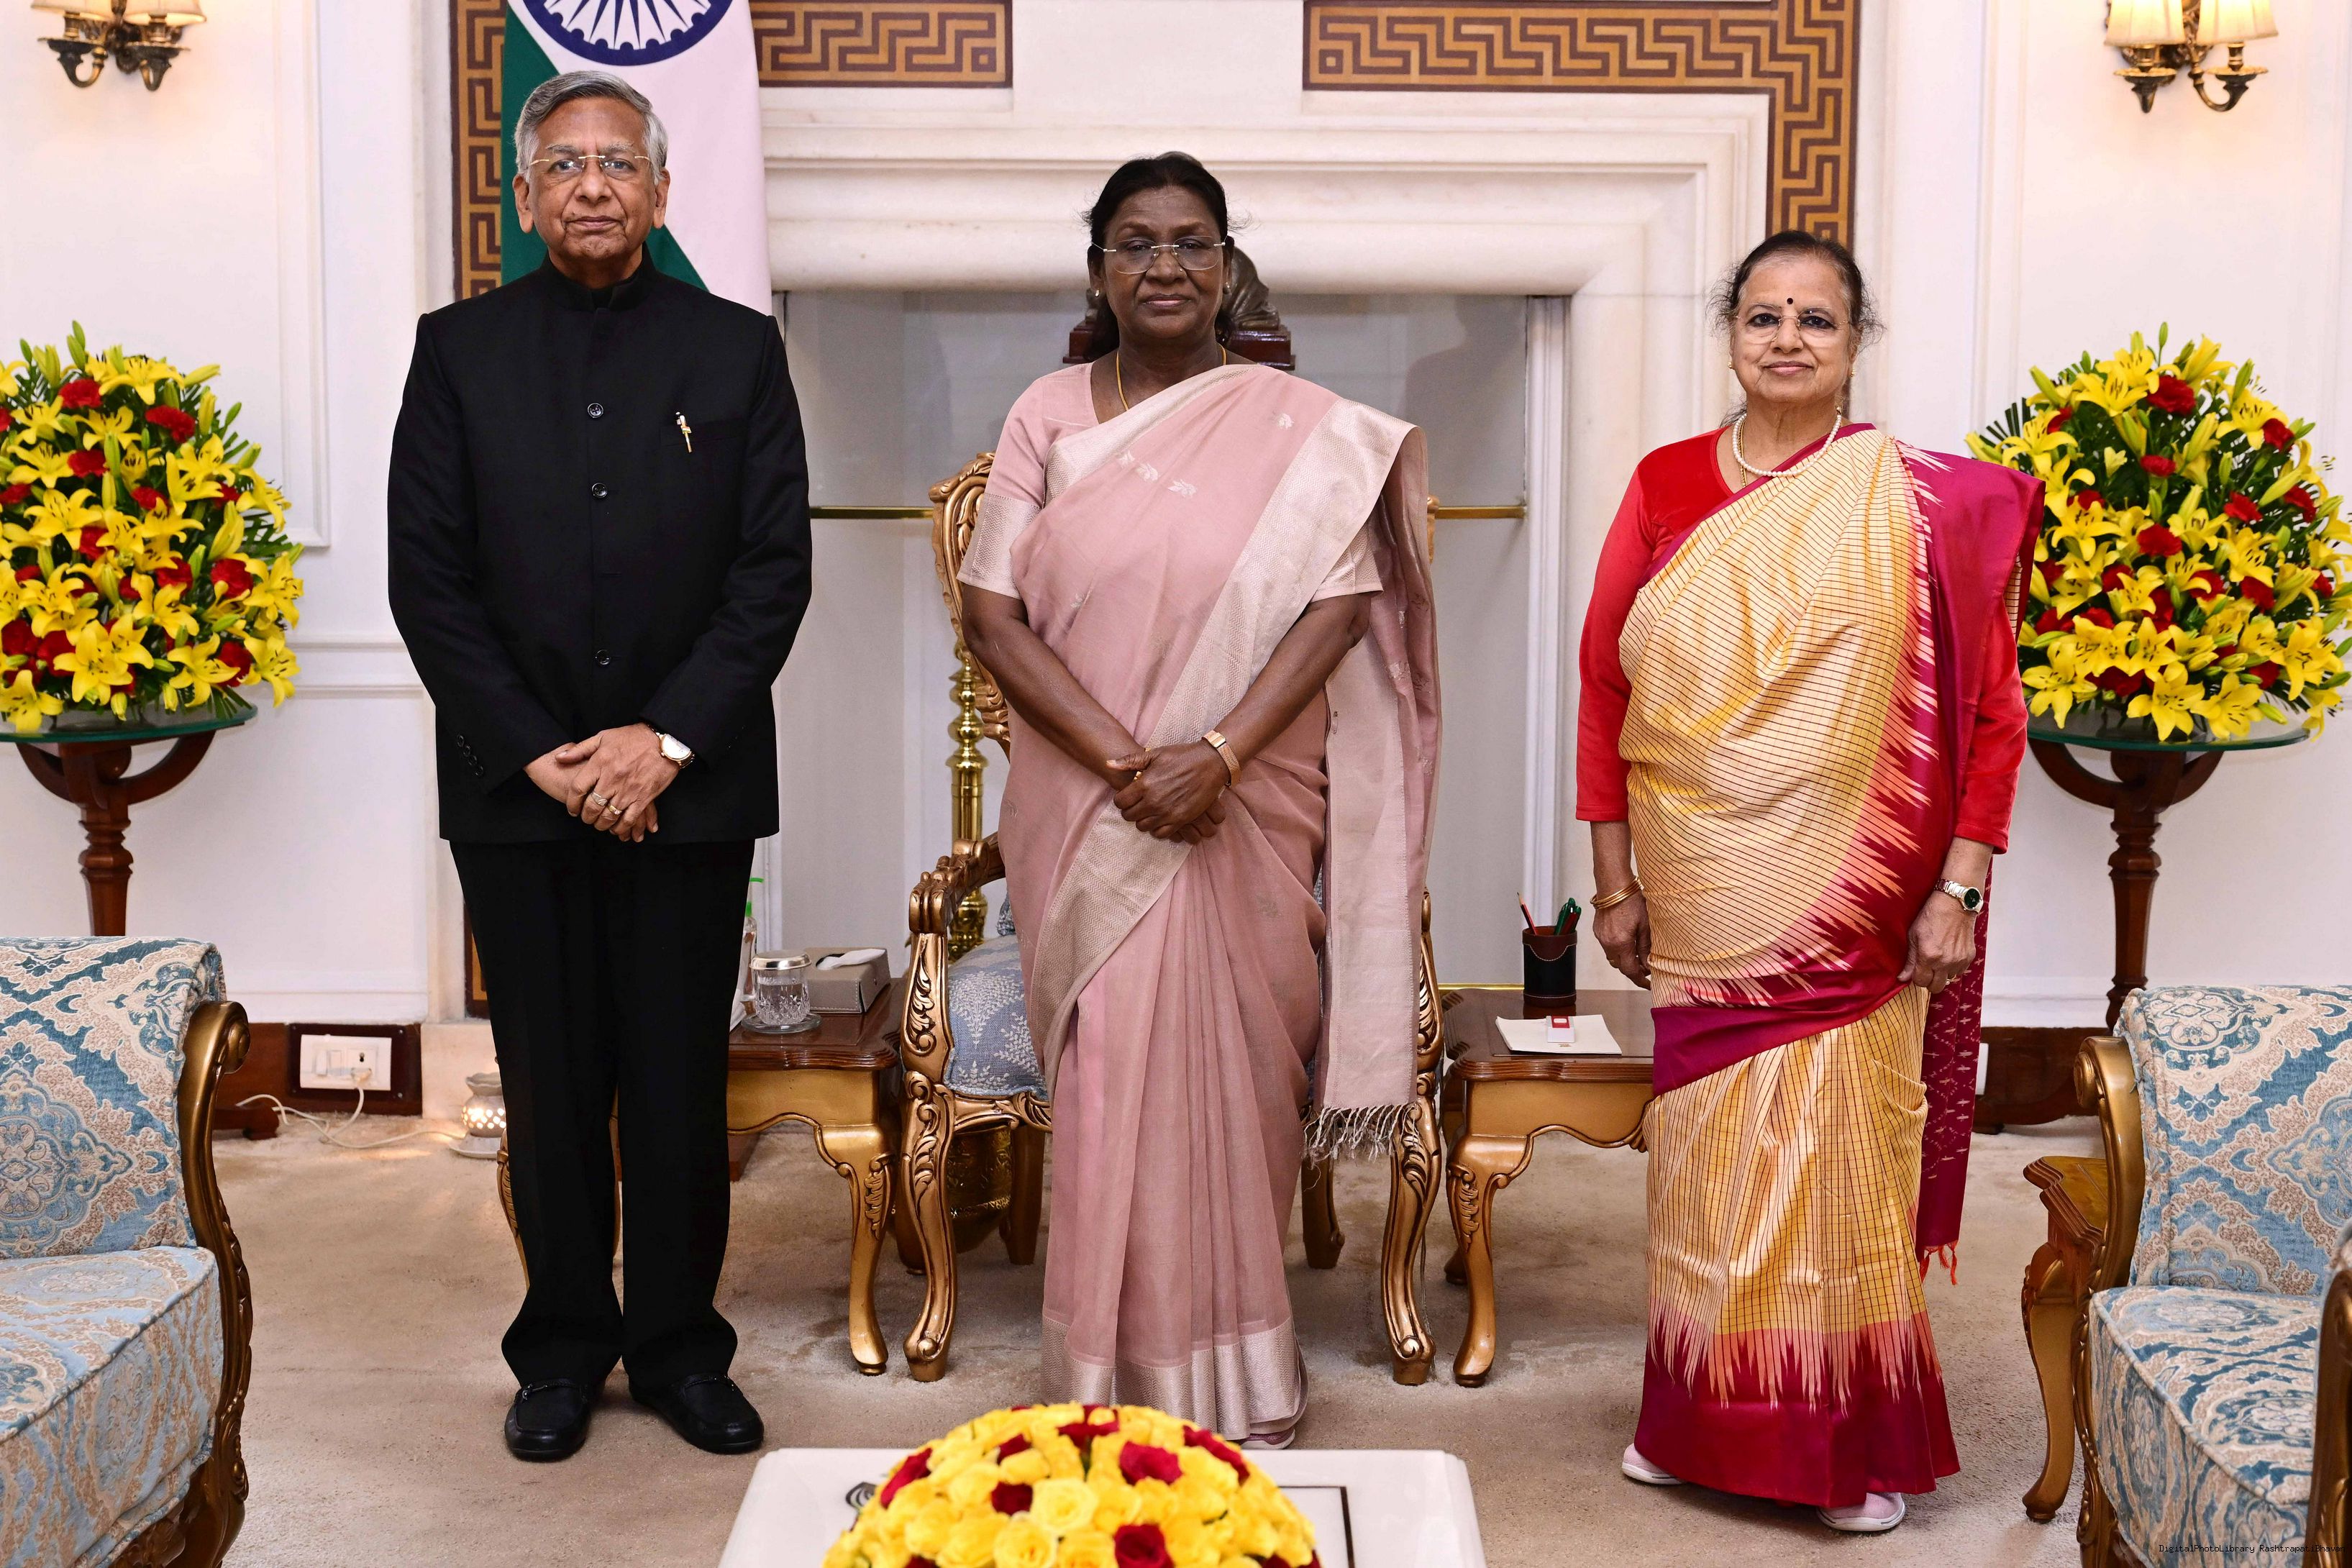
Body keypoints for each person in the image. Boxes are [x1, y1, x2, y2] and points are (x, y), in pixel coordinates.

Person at [958, 153, 1440, 1445]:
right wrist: (1134, 767)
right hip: (1090, 803)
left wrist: (1216, 756)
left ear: (1226, 266)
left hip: (1246, 801)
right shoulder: (1047, 413)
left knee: (1236, 1089)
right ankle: (1105, 1384)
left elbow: (1339, 606)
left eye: (1189, 242)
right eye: (1135, 242)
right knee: (1111, 1072)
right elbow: (992, 617)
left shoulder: (1299, 428)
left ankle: (1238, 1378)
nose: (1163, 265)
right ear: (1097, 270)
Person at [1576, 231, 2038, 1531]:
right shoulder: (1665, 483)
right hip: (1699, 880)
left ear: (1854, 342)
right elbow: (1605, 685)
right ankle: (1691, 1422)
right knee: (1705, 1167)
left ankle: (1838, 1448)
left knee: (1835, 1158)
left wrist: (1959, 884)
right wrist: (1611, 882)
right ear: (1730, 334)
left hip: (1861, 887)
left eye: (1815, 320)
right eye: (1763, 316)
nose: (1786, 339)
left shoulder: (1921, 502)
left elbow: (1991, 714)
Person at [387, 70, 811, 1462]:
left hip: (691, 789)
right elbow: (428, 581)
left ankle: (683, 1350)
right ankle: (563, 1350)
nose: (591, 185)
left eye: (617, 163)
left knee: (680, 1086)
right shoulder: (457, 351)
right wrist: (542, 755)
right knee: (551, 1087)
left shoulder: (737, 351)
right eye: (563, 163)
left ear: (661, 191)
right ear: (524, 195)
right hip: (519, 795)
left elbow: (772, 571)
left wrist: (663, 741)